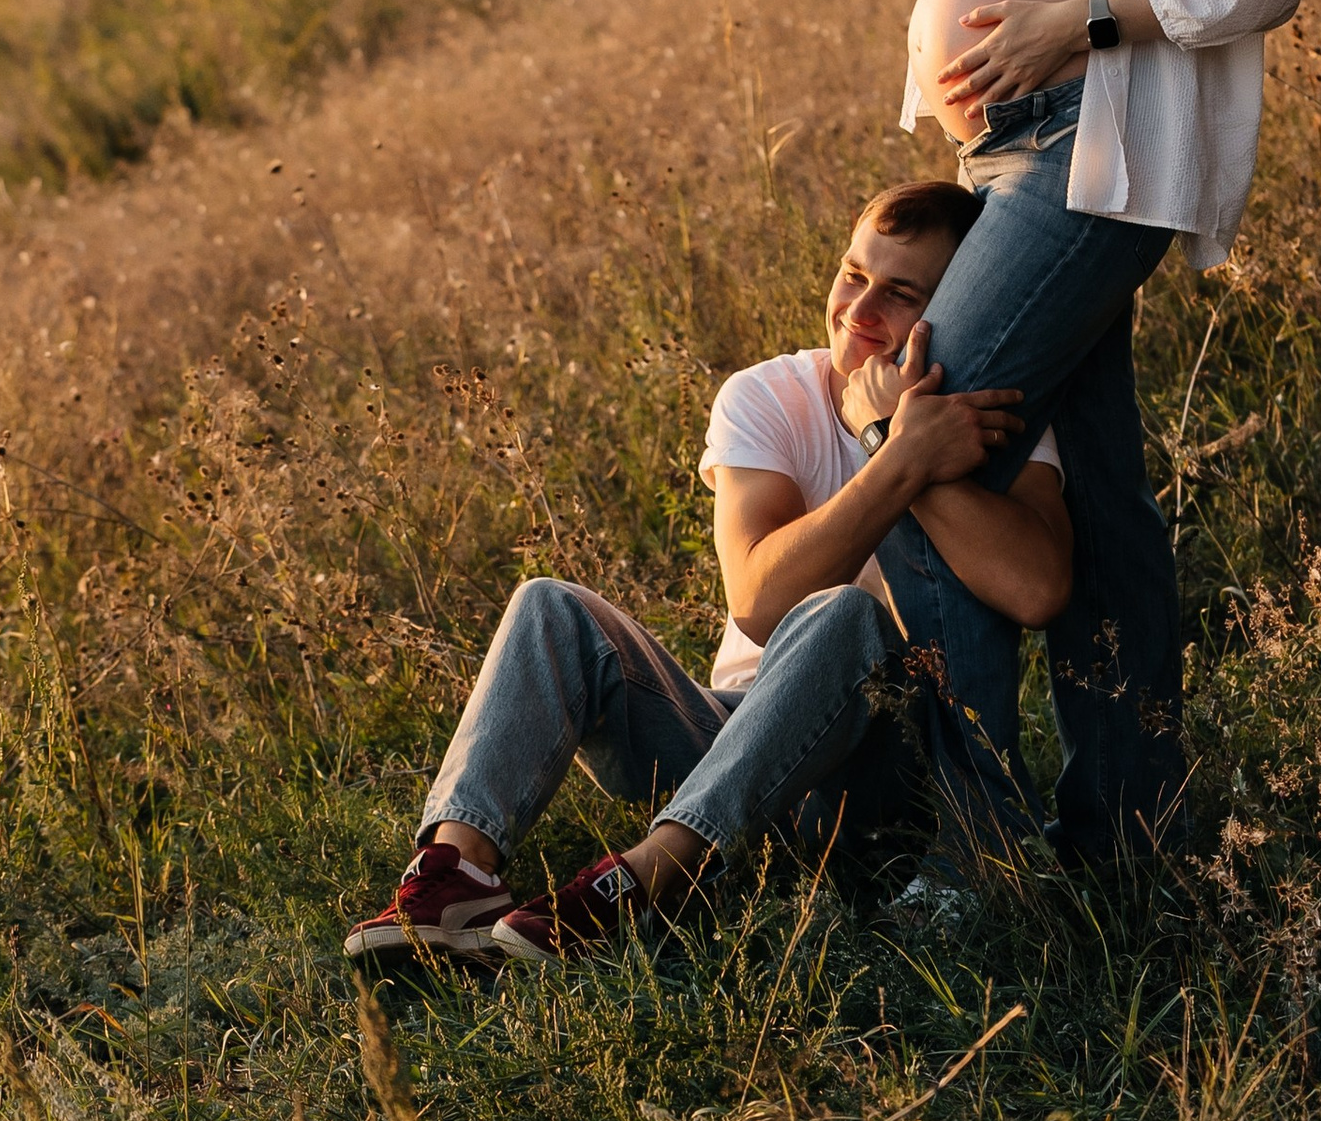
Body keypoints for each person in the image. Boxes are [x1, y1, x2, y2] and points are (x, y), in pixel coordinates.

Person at [875, 0, 1305, 879]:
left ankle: (971, 857)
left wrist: (1082, 22)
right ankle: (1132, 848)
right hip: (1000, 156)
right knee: (1103, 504)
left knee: (924, 415)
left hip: (1087, 155)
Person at [342, 178, 1072, 966]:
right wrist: (889, 450)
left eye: (899, 294)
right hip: (728, 735)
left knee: (845, 616)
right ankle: (457, 873)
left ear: (956, 307)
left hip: (879, 767)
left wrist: (904, 435)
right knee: (550, 605)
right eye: (853, 275)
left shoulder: (985, 419)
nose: (858, 312)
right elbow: (758, 601)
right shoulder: (767, 396)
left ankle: (653, 880)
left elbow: (1037, 590)